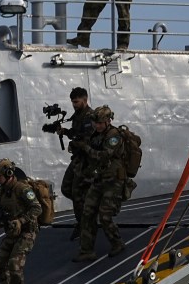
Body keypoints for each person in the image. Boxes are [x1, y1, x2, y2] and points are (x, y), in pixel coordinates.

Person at [71, 105, 129, 261]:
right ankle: (86, 250)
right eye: (96, 123)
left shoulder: (114, 135)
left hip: (113, 181)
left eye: (101, 123)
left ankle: (117, 243)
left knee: (105, 216)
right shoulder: (95, 134)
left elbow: (104, 155)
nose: (97, 126)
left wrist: (86, 148)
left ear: (108, 121)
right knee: (87, 213)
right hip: (98, 179)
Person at [0, 159, 43, 284]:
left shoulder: (22, 189)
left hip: (27, 232)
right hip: (11, 233)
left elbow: (37, 208)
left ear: (9, 174)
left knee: (14, 264)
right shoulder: (2, 191)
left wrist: (21, 221)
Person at [48, 87, 95, 239]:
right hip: (77, 158)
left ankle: (83, 224)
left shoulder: (90, 116)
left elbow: (90, 139)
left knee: (76, 191)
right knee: (66, 189)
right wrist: (66, 132)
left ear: (85, 100)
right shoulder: (78, 115)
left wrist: (75, 144)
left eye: (76, 102)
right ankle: (85, 215)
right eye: (73, 102)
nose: (74, 105)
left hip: (86, 159)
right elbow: (77, 133)